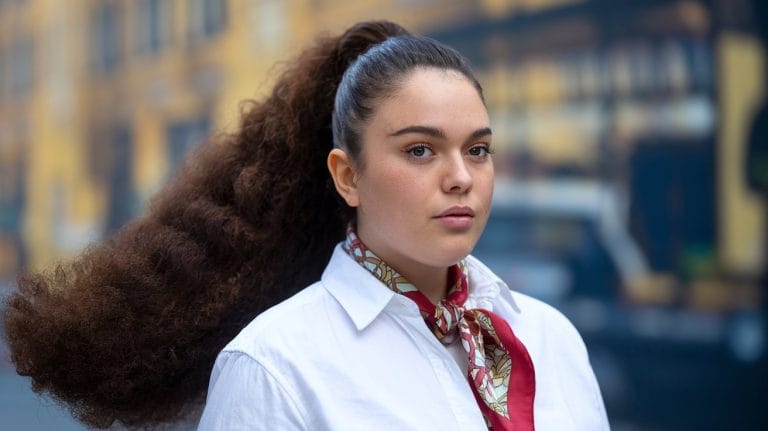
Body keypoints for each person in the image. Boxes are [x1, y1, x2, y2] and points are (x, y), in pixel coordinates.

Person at [3, 21, 608, 430]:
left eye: (477, 149)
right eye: (420, 150)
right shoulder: (274, 369)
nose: (461, 177)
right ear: (347, 176)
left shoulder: (553, 340)